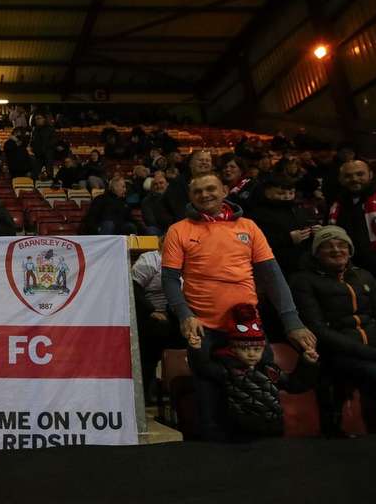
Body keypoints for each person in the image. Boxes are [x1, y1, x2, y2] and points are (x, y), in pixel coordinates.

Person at [160, 172, 317, 440]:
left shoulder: (249, 227)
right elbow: (170, 280)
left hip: (249, 328)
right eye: (197, 192)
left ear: (224, 191)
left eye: (211, 189)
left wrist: (292, 322)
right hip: (204, 329)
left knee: (260, 400)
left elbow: (272, 276)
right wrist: (185, 315)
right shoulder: (179, 230)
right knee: (209, 410)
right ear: (190, 197)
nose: (205, 195)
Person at [291, 226, 376, 432]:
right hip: (340, 354)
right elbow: (318, 330)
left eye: (342, 245)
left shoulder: (364, 276)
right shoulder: (303, 280)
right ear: (316, 253)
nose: (336, 250)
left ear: (350, 250)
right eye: (328, 246)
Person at [187, 304, 319, 438]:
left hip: (274, 430)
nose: (251, 354)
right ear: (233, 349)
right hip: (240, 433)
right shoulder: (228, 370)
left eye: (257, 349)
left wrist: (307, 362)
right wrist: (196, 349)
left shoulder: (270, 370)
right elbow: (203, 368)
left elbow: (295, 385)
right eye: (244, 349)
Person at [328, 159, 376, 332]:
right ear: (341, 179)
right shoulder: (337, 204)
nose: (354, 179)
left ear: (370, 175)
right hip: (354, 275)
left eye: (360, 174)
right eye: (348, 176)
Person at [131, 236, 183, 402]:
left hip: (178, 315)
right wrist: (151, 311)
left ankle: (178, 392)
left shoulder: (186, 260)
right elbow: (134, 288)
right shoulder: (149, 259)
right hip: (151, 315)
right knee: (150, 354)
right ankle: (144, 396)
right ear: (161, 243)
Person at [246, 174, 314, 278]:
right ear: (267, 192)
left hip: (301, 265)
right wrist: (288, 239)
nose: (287, 197)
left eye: (291, 193)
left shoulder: (297, 210)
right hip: (275, 267)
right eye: (281, 193)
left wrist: (313, 232)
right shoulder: (258, 214)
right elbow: (257, 242)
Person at [163, 150, 213, 222]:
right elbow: (179, 211)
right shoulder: (177, 183)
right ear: (190, 164)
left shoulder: (216, 183)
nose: (204, 162)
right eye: (200, 160)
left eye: (207, 160)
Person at [141, 171, 173, 235]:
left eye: (161, 183)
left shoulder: (174, 197)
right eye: (155, 184)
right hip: (158, 229)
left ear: (167, 184)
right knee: (151, 230)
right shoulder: (146, 201)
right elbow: (150, 221)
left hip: (173, 228)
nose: (158, 186)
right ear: (152, 187)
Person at [30, 115, 57, 179]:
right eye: (36, 119)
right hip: (38, 155)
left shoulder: (50, 129)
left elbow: (54, 141)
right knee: (35, 173)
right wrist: (34, 149)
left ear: (44, 119)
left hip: (48, 154)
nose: (37, 120)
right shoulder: (35, 130)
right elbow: (32, 141)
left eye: (39, 118)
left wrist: (46, 148)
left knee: (49, 172)